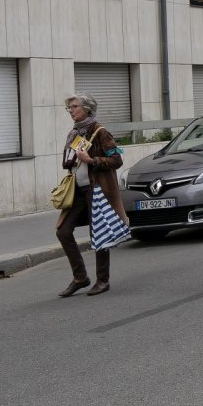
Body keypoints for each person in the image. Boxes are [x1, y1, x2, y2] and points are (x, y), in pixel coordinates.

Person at [55, 93, 126, 297]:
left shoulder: (100, 131)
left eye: (75, 107)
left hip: (97, 190)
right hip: (77, 190)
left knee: (100, 232)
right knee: (63, 231)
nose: (71, 111)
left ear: (87, 108)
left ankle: (103, 280)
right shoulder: (75, 133)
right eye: (69, 108)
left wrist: (92, 160)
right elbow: (70, 161)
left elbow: (116, 160)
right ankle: (80, 278)